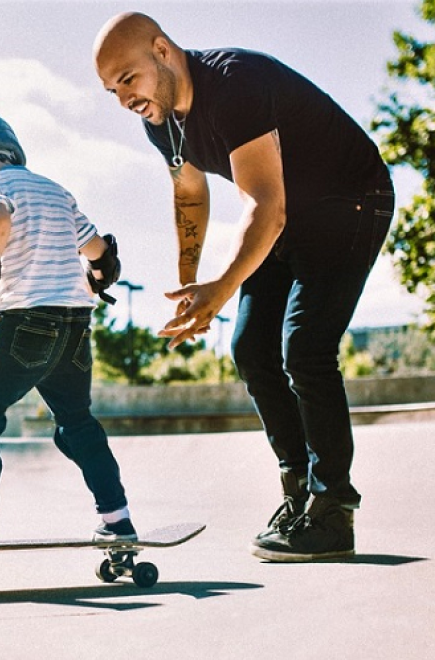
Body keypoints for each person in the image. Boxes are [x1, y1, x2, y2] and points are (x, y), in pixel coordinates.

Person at [93, 13, 395, 561]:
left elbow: (265, 206)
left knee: (304, 348)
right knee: (250, 348)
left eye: (128, 80)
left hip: (350, 199)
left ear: (162, 50)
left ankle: (333, 512)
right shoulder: (159, 120)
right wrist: (193, 286)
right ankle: (299, 491)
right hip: (289, 217)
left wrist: (223, 288)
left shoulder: (233, 84)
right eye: (112, 90)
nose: (123, 100)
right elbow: (189, 193)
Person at [0, 112, 136, 548]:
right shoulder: (56, 190)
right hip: (76, 326)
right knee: (77, 423)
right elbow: (100, 255)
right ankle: (118, 522)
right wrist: (97, 274)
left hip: (25, 324)